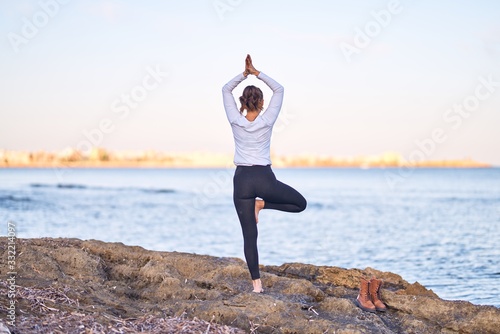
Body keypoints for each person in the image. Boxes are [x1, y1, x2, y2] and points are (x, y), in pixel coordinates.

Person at [222, 54, 307, 293]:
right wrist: (256, 72)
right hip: (263, 178)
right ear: (261, 103)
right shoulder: (267, 119)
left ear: (241, 102)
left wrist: (243, 74)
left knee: (250, 236)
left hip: (241, 181)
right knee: (300, 204)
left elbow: (225, 89)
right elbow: (279, 89)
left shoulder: (234, 119)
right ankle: (263, 204)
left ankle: (256, 286)